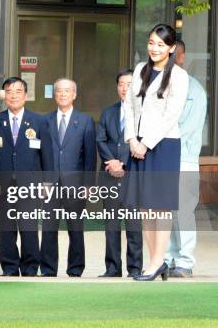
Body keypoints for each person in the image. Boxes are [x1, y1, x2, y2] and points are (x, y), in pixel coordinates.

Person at [123, 24, 189, 281]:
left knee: (159, 207)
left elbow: (171, 115)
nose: (154, 48)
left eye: (161, 44)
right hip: (137, 144)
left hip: (163, 145)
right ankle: (154, 263)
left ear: (172, 48)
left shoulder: (179, 76)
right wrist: (131, 139)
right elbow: (129, 106)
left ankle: (157, 262)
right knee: (144, 207)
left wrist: (146, 143)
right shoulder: (140, 69)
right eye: (152, 42)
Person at [0, 77, 50, 277]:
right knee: (6, 228)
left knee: (29, 228)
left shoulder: (39, 121)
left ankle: (30, 267)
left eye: (18, 91)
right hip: (3, 182)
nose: (13, 95)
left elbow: (46, 154)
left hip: (30, 184)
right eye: (9, 91)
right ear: (3, 96)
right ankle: (9, 267)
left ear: (26, 96)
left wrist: (47, 182)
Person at [40, 78, 96, 277]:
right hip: (50, 183)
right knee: (48, 228)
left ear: (74, 94)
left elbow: (90, 155)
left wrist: (88, 185)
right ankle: (47, 269)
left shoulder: (85, 121)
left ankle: (75, 268)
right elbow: (41, 154)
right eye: (59, 91)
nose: (63, 94)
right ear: (54, 95)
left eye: (67, 91)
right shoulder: (44, 121)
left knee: (76, 229)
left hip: (75, 183)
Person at [164, 40, 207, 278]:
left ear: (182, 57)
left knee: (184, 212)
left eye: (174, 55)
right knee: (166, 211)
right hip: (163, 159)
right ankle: (169, 257)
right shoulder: (161, 85)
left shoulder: (195, 90)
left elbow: (187, 128)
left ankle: (185, 261)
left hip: (184, 159)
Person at [96, 69, 143, 278]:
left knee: (133, 226)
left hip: (132, 175)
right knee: (111, 225)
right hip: (109, 174)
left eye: (129, 84)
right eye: (121, 84)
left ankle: (135, 268)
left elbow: (142, 142)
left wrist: (123, 164)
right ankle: (112, 268)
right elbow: (101, 139)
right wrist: (112, 163)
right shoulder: (108, 112)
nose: (125, 88)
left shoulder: (143, 113)